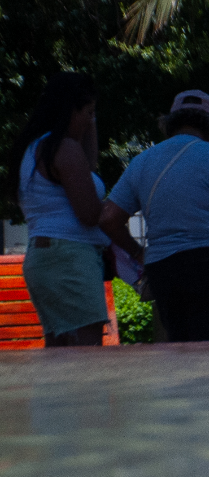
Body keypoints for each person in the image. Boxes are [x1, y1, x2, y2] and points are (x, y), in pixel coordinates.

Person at [99, 90, 209, 341]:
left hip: (164, 269)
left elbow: (109, 218)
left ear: (169, 124)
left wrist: (139, 252)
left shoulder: (142, 162)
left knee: (180, 345)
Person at [5, 73, 124, 346]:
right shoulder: (64, 148)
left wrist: (90, 121)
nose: (89, 121)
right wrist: (116, 210)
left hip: (46, 256)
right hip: (70, 259)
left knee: (59, 354)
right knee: (85, 356)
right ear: (72, 110)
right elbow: (90, 214)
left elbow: (88, 167)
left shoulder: (35, 149)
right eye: (88, 113)